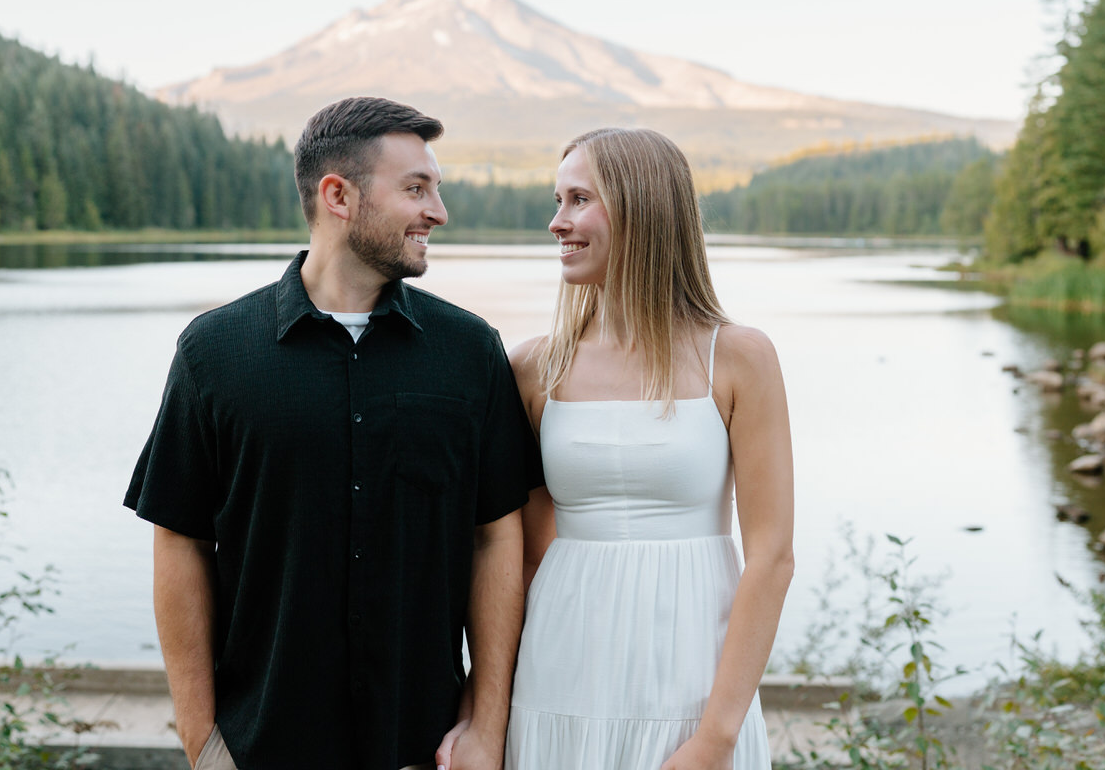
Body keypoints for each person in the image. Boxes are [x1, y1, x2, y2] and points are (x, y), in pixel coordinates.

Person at [123, 97, 537, 770]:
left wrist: (487, 727)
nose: (439, 211)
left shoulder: (470, 352)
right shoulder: (214, 354)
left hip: (426, 748)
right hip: (264, 750)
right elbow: (180, 540)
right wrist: (203, 742)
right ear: (339, 196)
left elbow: (497, 538)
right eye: (416, 188)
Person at [504, 127, 794, 770]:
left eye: (579, 199)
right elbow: (520, 555)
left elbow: (771, 557)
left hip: (694, 681)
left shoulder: (738, 357)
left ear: (642, 206)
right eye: (558, 200)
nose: (557, 223)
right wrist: (485, 712)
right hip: (561, 670)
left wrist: (716, 737)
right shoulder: (533, 369)